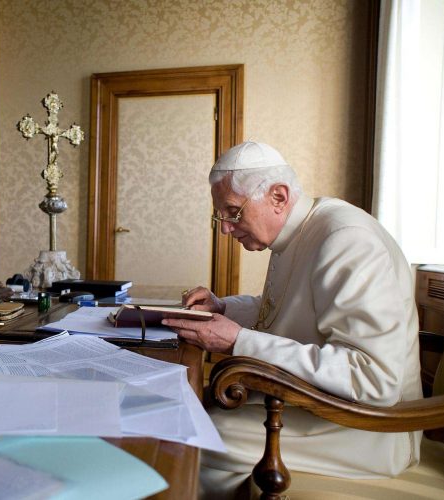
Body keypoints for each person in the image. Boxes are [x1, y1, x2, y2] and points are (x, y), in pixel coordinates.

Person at [161, 141, 422, 498]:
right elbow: (289, 307)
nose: (225, 228)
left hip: (371, 431)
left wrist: (237, 340)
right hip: (326, 411)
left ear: (279, 197)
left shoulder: (346, 239)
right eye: (221, 215)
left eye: (233, 212)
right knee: (197, 412)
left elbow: (374, 379)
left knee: (195, 432)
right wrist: (224, 309)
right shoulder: (301, 230)